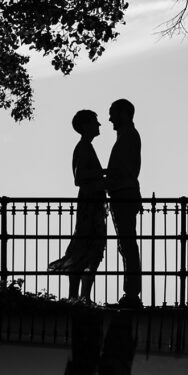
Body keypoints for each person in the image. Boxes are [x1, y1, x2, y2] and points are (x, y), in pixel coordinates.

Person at [48, 110, 107, 301]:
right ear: (85, 125)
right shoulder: (83, 147)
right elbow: (79, 177)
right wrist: (103, 174)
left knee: (89, 247)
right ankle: (79, 297)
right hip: (90, 204)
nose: (99, 125)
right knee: (87, 246)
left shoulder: (85, 147)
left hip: (92, 203)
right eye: (95, 122)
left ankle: (81, 297)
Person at [105, 98, 144, 308]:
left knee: (127, 243)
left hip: (123, 195)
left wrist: (104, 182)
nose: (110, 118)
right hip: (124, 193)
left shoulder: (128, 136)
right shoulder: (128, 135)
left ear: (124, 113)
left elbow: (123, 169)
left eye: (112, 113)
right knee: (126, 243)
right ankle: (130, 293)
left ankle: (131, 294)